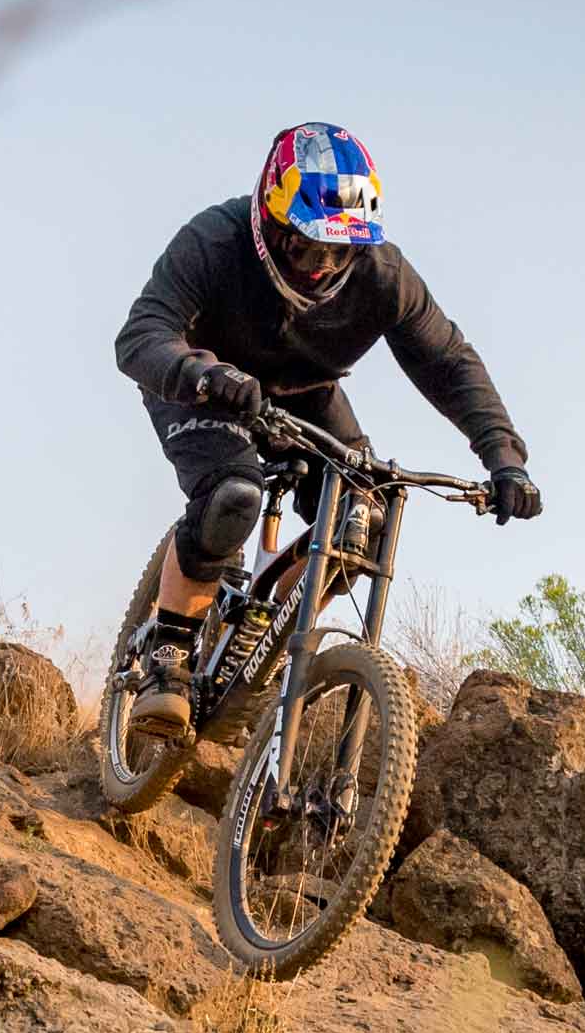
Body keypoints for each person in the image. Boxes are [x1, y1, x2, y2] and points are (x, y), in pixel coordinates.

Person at [113, 122, 541, 736]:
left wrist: (504, 456)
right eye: (309, 247)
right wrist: (199, 374)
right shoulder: (214, 240)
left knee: (362, 521)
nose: (322, 266)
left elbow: (447, 362)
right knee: (232, 496)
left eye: (340, 251)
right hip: (201, 383)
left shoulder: (383, 275)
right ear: (270, 220)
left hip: (306, 394)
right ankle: (170, 654)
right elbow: (139, 336)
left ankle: (258, 634)